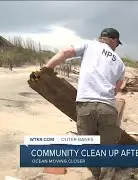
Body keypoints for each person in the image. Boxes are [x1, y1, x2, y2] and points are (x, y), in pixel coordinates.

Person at [43, 28, 125, 180]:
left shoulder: (89, 45)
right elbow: (116, 89)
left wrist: (47, 68)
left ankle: (96, 175)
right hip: (107, 107)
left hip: (85, 106)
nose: (116, 46)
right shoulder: (120, 62)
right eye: (117, 43)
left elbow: (66, 52)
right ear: (113, 40)